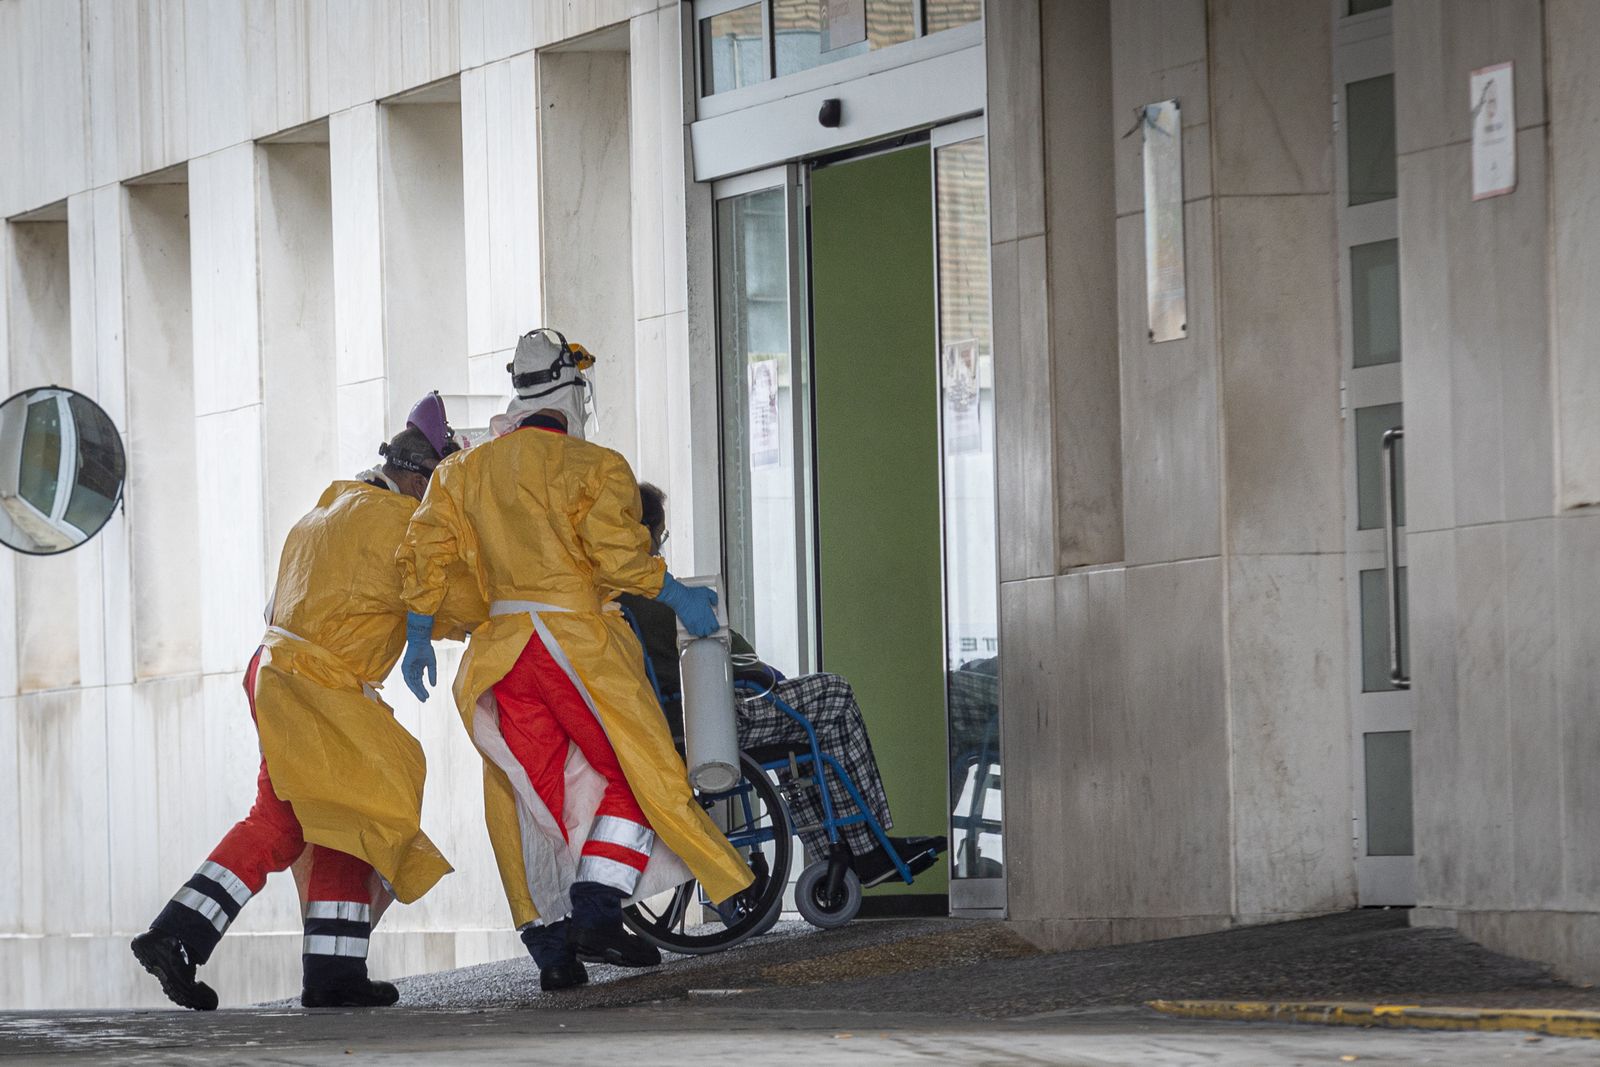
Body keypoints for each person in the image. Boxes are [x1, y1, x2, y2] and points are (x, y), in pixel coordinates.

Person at [395, 328, 753, 993]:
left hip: (503, 657)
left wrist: (420, 627)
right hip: (579, 649)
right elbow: (619, 557)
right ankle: (596, 909)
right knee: (638, 775)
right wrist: (674, 593)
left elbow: (425, 545)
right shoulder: (594, 466)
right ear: (573, 389)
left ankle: (553, 950)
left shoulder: (462, 471)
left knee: (531, 797)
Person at [130, 395, 483, 1011]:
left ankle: (189, 937)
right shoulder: (394, 525)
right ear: (420, 476)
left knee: (288, 819)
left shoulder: (333, 503)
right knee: (356, 814)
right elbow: (455, 603)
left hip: (275, 673)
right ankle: (325, 970)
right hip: (321, 687)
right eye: (439, 488)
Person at [619, 484, 945, 886]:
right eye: (660, 534)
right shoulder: (650, 594)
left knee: (805, 729)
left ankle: (842, 849)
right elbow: (713, 650)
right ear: (643, 530)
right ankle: (865, 846)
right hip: (710, 716)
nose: (659, 546)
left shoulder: (618, 594)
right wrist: (760, 674)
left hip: (681, 717)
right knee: (834, 695)